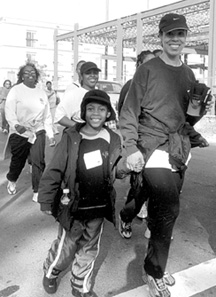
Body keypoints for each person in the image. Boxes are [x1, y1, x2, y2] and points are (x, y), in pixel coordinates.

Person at [118, 13, 212, 297]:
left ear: (186, 38)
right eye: (170, 34)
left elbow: (186, 118)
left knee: (152, 200)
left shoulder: (189, 74)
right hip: (152, 147)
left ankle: (126, 215)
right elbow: (129, 110)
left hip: (178, 147)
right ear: (160, 37)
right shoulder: (147, 70)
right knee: (168, 208)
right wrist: (130, 147)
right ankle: (154, 270)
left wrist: (200, 111)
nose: (175, 39)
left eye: (180, 34)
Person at [38, 89, 124, 297]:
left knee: (89, 249)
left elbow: (116, 169)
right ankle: (52, 271)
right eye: (91, 108)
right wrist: (46, 199)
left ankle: (80, 286)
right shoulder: (71, 137)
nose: (96, 113)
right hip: (73, 206)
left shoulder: (112, 138)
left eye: (101, 109)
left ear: (108, 113)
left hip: (99, 206)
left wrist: (129, 167)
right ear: (83, 112)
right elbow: (55, 169)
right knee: (66, 248)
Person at [5, 62, 55, 201]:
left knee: (38, 161)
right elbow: (9, 110)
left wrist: (50, 134)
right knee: (18, 160)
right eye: (26, 73)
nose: (30, 75)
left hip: (37, 131)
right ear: (21, 76)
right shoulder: (16, 91)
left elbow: (47, 116)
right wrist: (15, 125)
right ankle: (12, 179)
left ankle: (37, 191)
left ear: (37, 75)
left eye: (33, 72)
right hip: (20, 131)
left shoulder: (41, 92)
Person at [54, 61, 101, 128]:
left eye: (95, 73)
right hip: (80, 135)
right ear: (81, 76)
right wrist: (80, 128)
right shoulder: (73, 94)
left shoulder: (101, 95)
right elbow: (59, 116)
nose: (92, 75)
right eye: (88, 73)